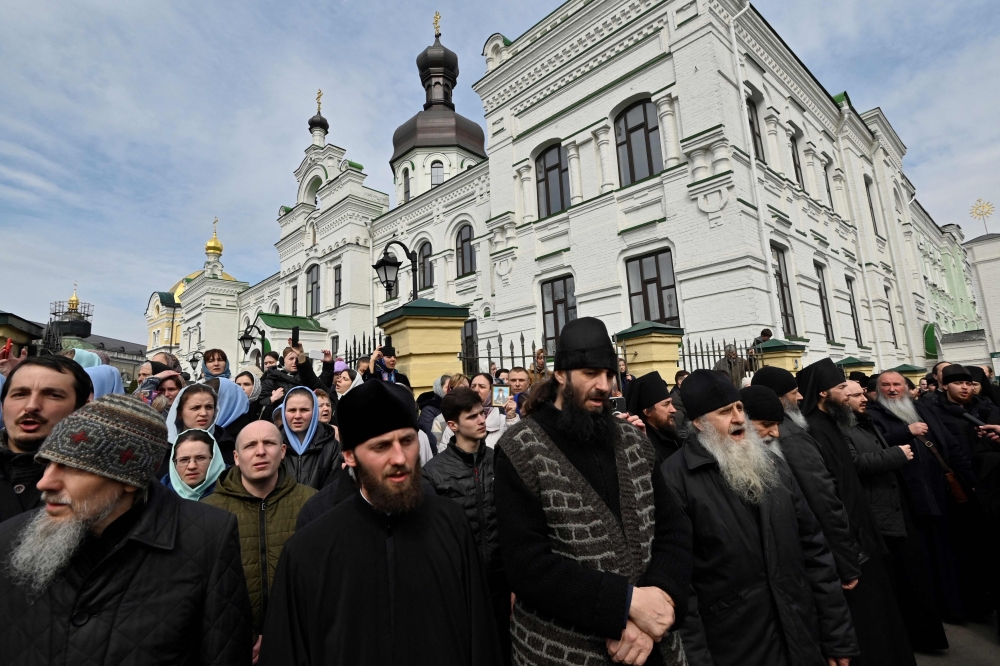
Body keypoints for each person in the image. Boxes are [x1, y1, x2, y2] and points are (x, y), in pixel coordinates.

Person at [259, 379, 501, 665]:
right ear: (349, 457)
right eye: (381, 446)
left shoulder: (451, 523)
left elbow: (480, 636)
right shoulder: (309, 547)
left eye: (407, 441)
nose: (399, 458)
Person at [494, 317, 690, 665]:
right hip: (565, 653)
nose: (604, 385)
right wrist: (626, 605)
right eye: (589, 374)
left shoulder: (634, 442)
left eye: (609, 373)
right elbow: (527, 566)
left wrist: (659, 600)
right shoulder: (519, 448)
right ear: (560, 375)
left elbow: (674, 529)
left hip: (655, 646)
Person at [0, 394, 252, 665]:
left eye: (72, 468)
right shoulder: (8, 538)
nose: (45, 483)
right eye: (48, 463)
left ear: (130, 480)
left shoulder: (207, 538)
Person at [664, 371, 857, 666]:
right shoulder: (674, 480)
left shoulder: (773, 465)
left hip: (800, 633)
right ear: (699, 423)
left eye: (739, 408)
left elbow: (815, 551)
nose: (739, 418)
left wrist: (837, 637)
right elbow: (682, 591)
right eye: (725, 412)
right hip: (736, 646)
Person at [797, 358, 915, 665]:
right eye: (840, 388)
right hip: (848, 537)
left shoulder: (835, 421)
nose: (848, 394)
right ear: (822, 393)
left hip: (863, 528)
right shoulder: (812, 428)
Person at [841, 380, 948, 651]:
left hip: (899, 507)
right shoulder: (845, 427)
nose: (863, 398)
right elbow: (855, 463)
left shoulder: (865, 420)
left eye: (862, 393)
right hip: (879, 513)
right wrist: (897, 452)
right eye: (854, 395)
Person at [202, 421, 317, 654]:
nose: (260, 451)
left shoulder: (312, 504)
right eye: (250, 445)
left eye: (269, 443)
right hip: (232, 645)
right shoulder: (208, 511)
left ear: (283, 451)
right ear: (236, 456)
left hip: (297, 642)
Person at [866, 369, 970, 623]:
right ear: (879, 390)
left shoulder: (923, 408)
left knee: (949, 553)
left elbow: (949, 445)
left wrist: (969, 481)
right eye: (887, 385)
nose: (892, 390)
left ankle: (954, 606)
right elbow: (875, 447)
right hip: (909, 501)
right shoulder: (872, 415)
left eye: (897, 385)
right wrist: (906, 432)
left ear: (907, 387)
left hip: (940, 493)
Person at [750, 367, 864, 588]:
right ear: (779, 399)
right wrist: (847, 561)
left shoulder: (785, 431)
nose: (801, 397)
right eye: (794, 393)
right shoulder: (790, 436)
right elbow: (822, 500)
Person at [424, 387, 510, 663]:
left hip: (502, 583)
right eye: (472, 417)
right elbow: (431, 538)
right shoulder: (434, 473)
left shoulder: (501, 461)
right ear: (452, 425)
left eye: (482, 413)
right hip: (460, 586)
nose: (482, 420)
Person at [923, 364, 1000, 621]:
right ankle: (975, 602)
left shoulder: (987, 409)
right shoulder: (934, 413)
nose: (965, 387)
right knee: (968, 550)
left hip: (993, 488)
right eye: (957, 383)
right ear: (945, 385)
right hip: (961, 492)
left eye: (968, 383)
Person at [0, 356, 93, 523]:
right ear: (3, 404)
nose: (31, 406)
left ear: (82, 409)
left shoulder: (100, 482)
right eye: (20, 394)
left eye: (53, 395)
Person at [279, 386, 342, 489]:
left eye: (304, 410)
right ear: (284, 412)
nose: (297, 416)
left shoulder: (332, 447)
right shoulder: (274, 445)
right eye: (292, 410)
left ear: (314, 412)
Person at [166, 384, 237, 469]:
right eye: (196, 408)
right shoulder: (163, 447)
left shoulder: (227, 445)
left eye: (209, 407)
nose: (203, 413)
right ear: (179, 413)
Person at [442, 372, 518, 449]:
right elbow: (444, 453)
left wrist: (511, 418)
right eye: (473, 386)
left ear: (491, 391)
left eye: (482, 386)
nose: (476, 390)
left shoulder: (504, 421)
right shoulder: (457, 420)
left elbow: (517, 445)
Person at [626, 370, 682, 460]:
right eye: (666, 404)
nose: (673, 410)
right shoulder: (644, 447)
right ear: (647, 412)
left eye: (671, 403)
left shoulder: (671, 434)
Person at [258, 342, 328, 412]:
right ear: (282, 361)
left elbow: (324, 389)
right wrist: (272, 399)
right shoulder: (271, 379)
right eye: (291, 358)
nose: (294, 362)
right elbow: (258, 406)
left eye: (297, 359)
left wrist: (328, 364)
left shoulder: (306, 378)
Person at [162, 428, 227, 500]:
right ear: (173, 463)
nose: (192, 466)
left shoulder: (235, 488)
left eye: (200, 458)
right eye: (184, 460)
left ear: (214, 460)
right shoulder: (157, 495)